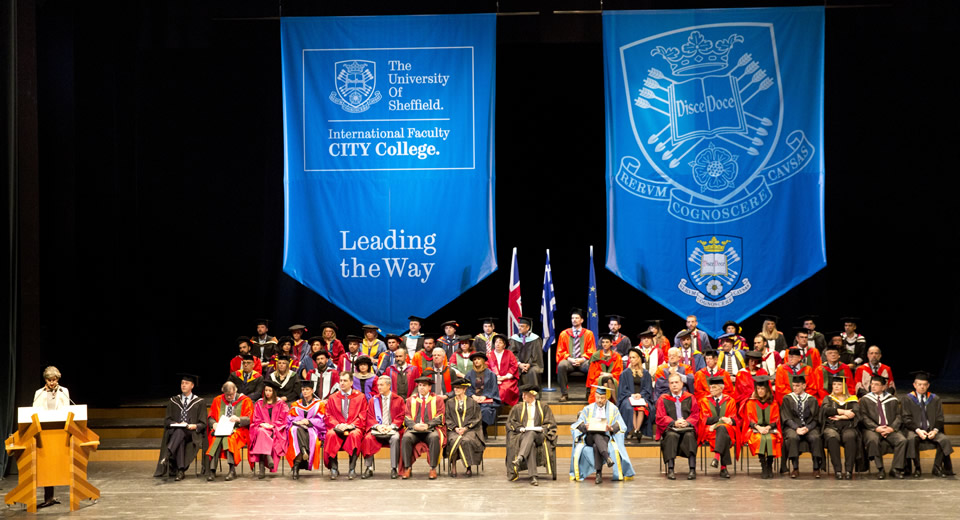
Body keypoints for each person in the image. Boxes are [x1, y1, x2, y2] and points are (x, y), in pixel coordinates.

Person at [571, 385, 635, 484]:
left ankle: (598, 474)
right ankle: (607, 457)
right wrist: (585, 426)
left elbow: (620, 424)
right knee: (595, 434)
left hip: (605, 436)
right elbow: (578, 424)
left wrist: (611, 428)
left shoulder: (613, 409)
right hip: (589, 437)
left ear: (606, 398)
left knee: (597, 445)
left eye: (602, 398)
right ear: (595, 396)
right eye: (597, 397)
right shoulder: (588, 409)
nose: (599, 400)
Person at [154, 373, 206, 482]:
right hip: (176, 432)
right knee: (179, 433)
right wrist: (176, 423)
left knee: (181, 433)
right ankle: (180, 471)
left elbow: (203, 423)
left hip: (191, 433)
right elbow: (167, 421)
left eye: (186, 383)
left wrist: (194, 425)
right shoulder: (173, 401)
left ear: (192, 386)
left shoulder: (199, 402)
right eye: (182, 383)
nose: (183, 385)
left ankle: (167, 455)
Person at [902, 371, 955, 478]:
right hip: (915, 430)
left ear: (928, 386)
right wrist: (918, 430)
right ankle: (917, 468)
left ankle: (937, 468)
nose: (922, 387)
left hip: (931, 429)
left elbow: (940, 418)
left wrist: (934, 431)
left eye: (924, 385)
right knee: (911, 439)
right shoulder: (907, 399)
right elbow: (906, 418)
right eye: (919, 384)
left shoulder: (935, 399)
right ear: (914, 385)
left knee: (944, 440)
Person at [506, 384, 558, 486]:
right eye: (523, 394)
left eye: (525, 394)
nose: (523, 397)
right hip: (522, 436)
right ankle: (533, 476)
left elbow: (550, 423)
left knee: (531, 433)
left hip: (539, 436)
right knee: (531, 444)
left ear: (532, 395)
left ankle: (520, 457)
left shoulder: (543, 407)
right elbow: (511, 422)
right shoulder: (518, 408)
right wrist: (519, 428)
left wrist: (542, 429)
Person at [860, 374, 907, 479]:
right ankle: (880, 469)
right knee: (873, 440)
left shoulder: (892, 400)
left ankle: (895, 469)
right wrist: (876, 428)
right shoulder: (865, 400)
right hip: (872, 429)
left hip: (889, 428)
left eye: (876, 384)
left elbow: (899, 416)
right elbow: (863, 417)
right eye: (872, 384)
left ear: (883, 387)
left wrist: (891, 428)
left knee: (902, 440)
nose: (873, 386)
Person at [323, 371, 368, 480]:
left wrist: (351, 425)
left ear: (351, 382)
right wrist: (338, 425)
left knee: (355, 435)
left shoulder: (360, 397)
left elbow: (363, 415)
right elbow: (328, 415)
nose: (342, 383)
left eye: (345, 381)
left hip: (353, 428)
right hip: (338, 428)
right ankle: (334, 468)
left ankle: (352, 469)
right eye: (341, 381)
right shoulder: (333, 397)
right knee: (330, 435)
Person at [205, 380, 253, 481]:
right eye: (227, 395)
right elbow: (211, 416)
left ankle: (232, 470)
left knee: (229, 439)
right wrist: (213, 423)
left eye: (231, 394)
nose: (229, 397)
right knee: (215, 439)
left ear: (235, 390)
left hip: (238, 429)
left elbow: (250, 418)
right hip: (220, 428)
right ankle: (212, 470)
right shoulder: (217, 400)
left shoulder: (245, 400)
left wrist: (239, 419)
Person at [655, 373, 700, 480]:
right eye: (672, 383)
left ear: (682, 384)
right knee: (671, 436)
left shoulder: (690, 397)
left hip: (687, 428)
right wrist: (673, 423)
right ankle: (671, 469)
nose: (674, 385)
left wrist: (687, 422)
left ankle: (692, 469)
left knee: (689, 436)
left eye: (676, 382)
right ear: (669, 385)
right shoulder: (663, 398)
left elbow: (695, 414)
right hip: (671, 428)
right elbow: (660, 417)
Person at [400, 376, 446, 479]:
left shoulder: (437, 399)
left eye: (424, 385)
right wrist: (414, 425)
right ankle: (407, 468)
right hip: (414, 429)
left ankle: (433, 468)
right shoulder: (411, 400)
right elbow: (406, 417)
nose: (421, 388)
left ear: (430, 387)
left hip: (430, 429)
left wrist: (428, 425)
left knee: (435, 437)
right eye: (420, 385)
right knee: (406, 438)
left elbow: (440, 416)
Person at [360, 375, 405, 479]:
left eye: (382, 385)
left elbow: (401, 416)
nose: (379, 387)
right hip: (378, 429)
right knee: (367, 438)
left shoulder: (398, 399)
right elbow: (370, 416)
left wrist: (391, 427)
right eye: (378, 385)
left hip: (392, 429)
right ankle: (369, 468)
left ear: (389, 385)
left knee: (395, 438)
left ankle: (394, 468)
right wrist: (377, 426)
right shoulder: (373, 400)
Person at [780, 374, 824, 478]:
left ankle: (816, 468)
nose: (795, 388)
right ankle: (795, 468)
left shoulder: (812, 399)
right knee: (792, 437)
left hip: (809, 426)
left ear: (804, 386)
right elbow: (786, 417)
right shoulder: (787, 399)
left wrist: (807, 428)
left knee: (816, 437)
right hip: (792, 427)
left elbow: (816, 418)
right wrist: (796, 428)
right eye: (793, 385)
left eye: (798, 385)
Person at [697, 376, 739, 479]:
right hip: (710, 431)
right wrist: (721, 419)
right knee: (723, 433)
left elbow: (733, 419)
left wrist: (728, 421)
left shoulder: (730, 401)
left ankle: (716, 457)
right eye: (710, 387)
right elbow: (705, 419)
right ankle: (723, 468)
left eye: (714, 387)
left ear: (721, 388)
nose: (711, 390)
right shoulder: (704, 401)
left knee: (722, 429)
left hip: (724, 429)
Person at [820, 374, 860, 480]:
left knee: (850, 437)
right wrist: (844, 412)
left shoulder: (852, 399)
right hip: (831, 426)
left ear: (844, 387)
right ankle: (837, 470)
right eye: (834, 384)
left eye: (839, 384)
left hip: (848, 426)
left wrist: (841, 417)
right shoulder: (828, 398)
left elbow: (855, 412)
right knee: (832, 437)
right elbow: (826, 410)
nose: (836, 386)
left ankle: (848, 471)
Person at [248, 380, 290, 479]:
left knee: (262, 434)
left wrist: (273, 425)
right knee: (261, 431)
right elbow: (256, 418)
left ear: (274, 392)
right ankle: (268, 456)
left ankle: (261, 468)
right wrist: (263, 424)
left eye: (270, 391)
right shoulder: (259, 403)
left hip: (276, 429)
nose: (267, 393)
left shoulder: (281, 403)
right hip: (263, 427)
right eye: (266, 390)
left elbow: (284, 419)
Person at [742, 375, 781, 479]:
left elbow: (776, 419)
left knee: (772, 439)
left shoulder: (773, 403)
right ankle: (763, 466)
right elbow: (749, 419)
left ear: (767, 389)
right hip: (756, 429)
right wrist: (759, 428)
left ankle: (769, 465)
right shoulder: (751, 402)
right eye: (758, 388)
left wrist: (767, 427)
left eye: (762, 388)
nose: (760, 391)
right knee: (759, 439)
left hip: (770, 429)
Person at [286, 380, 326, 480]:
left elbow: (322, 420)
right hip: (299, 426)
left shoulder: (319, 404)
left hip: (313, 428)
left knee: (301, 432)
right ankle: (303, 451)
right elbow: (290, 418)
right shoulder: (296, 404)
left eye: (307, 389)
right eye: (303, 389)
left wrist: (308, 421)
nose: (304, 392)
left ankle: (296, 466)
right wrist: (300, 421)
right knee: (295, 429)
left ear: (312, 390)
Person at [446, 378, 485, 477]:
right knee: (454, 440)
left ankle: (468, 466)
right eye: (455, 388)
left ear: (464, 389)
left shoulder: (472, 402)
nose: (456, 390)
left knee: (466, 440)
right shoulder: (449, 402)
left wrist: (466, 428)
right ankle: (453, 465)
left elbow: (477, 418)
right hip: (453, 430)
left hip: (470, 430)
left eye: (458, 388)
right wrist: (455, 428)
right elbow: (447, 418)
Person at [556, 308, 596, 401]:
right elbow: (560, 351)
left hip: (583, 362)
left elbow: (592, 351)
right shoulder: (564, 334)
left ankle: (589, 392)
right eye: (572, 318)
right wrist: (570, 359)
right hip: (569, 361)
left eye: (577, 318)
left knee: (592, 365)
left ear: (582, 320)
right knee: (561, 365)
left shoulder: (588, 334)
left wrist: (581, 359)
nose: (574, 320)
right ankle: (564, 394)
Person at [617, 347, 653, 442]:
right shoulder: (625, 373)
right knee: (630, 408)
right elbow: (622, 389)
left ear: (639, 359)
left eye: (634, 357)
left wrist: (641, 395)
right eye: (630, 357)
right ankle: (633, 431)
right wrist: (631, 395)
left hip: (642, 397)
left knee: (642, 408)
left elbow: (648, 388)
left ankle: (636, 431)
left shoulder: (646, 373)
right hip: (628, 397)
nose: (631, 360)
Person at [465, 351, 501, 430]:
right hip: (472, 400)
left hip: (487, 401)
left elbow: (494, 388)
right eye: (474, 359)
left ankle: (483, 430)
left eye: (478, 359)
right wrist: (473, 396)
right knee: (470, 409)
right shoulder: (469, 375)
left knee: (486, 410)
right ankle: (473, 431)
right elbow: (467, 388)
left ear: (483, 360)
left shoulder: (491, 375)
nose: (476, 361)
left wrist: (485, 396)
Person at [585, 334, 623, 403]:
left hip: (612, 377)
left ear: (611, 343)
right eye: (603, 342)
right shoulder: (596, 356)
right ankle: (615, 403)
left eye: (607, 342)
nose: (604, 344)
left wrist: (610, 375)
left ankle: (608, 404)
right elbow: (592, 372)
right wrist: (601, 374)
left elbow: (619, 371)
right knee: (605, 382)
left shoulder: (616, 356)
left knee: (608, 383)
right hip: (598, 378)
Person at [509, 316, 544, 387]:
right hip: (517, 364)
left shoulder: (535, 339)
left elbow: (536, 355)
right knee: (513, 370)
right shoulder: (514, 339)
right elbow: (511, 353)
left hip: (533, 364)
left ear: (527, 328)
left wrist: (528, 364)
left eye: (522, 326)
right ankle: (517, 395)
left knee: (533, 371)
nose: (519, 328)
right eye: (519, 326)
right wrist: (519, 364)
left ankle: (532, 395)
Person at [489, 333, 520, 406]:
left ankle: (500, 405)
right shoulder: (489, 355)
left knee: (504, 388)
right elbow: (487, 368)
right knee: (493, 388)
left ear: (504, 345)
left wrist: (504, 377)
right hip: (493, 379)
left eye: (500, 342)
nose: (498, 344)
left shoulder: (509, 354)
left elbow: (514, 366)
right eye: (496, 342)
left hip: (507, 379)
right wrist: (495, 378)